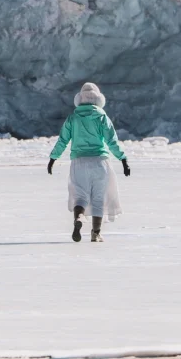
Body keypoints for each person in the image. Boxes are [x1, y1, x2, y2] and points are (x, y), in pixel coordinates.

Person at [47, 82, 130, 242]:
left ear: (79, 99)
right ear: (99, 100)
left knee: (80, 195)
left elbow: (63, 140)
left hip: (78, 161)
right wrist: (123, 159)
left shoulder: (73, 118)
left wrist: (53, 158)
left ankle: (78, 218)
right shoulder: (102, 117)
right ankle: (95, 233)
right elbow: (112, 141)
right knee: (98, 197)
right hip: (100, 161)